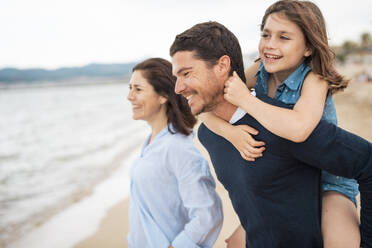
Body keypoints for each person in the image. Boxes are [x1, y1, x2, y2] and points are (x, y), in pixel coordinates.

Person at [170, 21, 372, 248]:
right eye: (266, 35)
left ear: (221, 66)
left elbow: (367, 160)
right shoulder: (209, 133)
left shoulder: (285, 122)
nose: (177, 88)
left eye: (186, 73)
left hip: (334, 184)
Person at [126, 58, 223, 248]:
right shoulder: (151, 143)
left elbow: (208, 214)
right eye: (130, 88)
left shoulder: (178, 147)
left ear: (163, 96)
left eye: (138, 89)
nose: (129, 96)